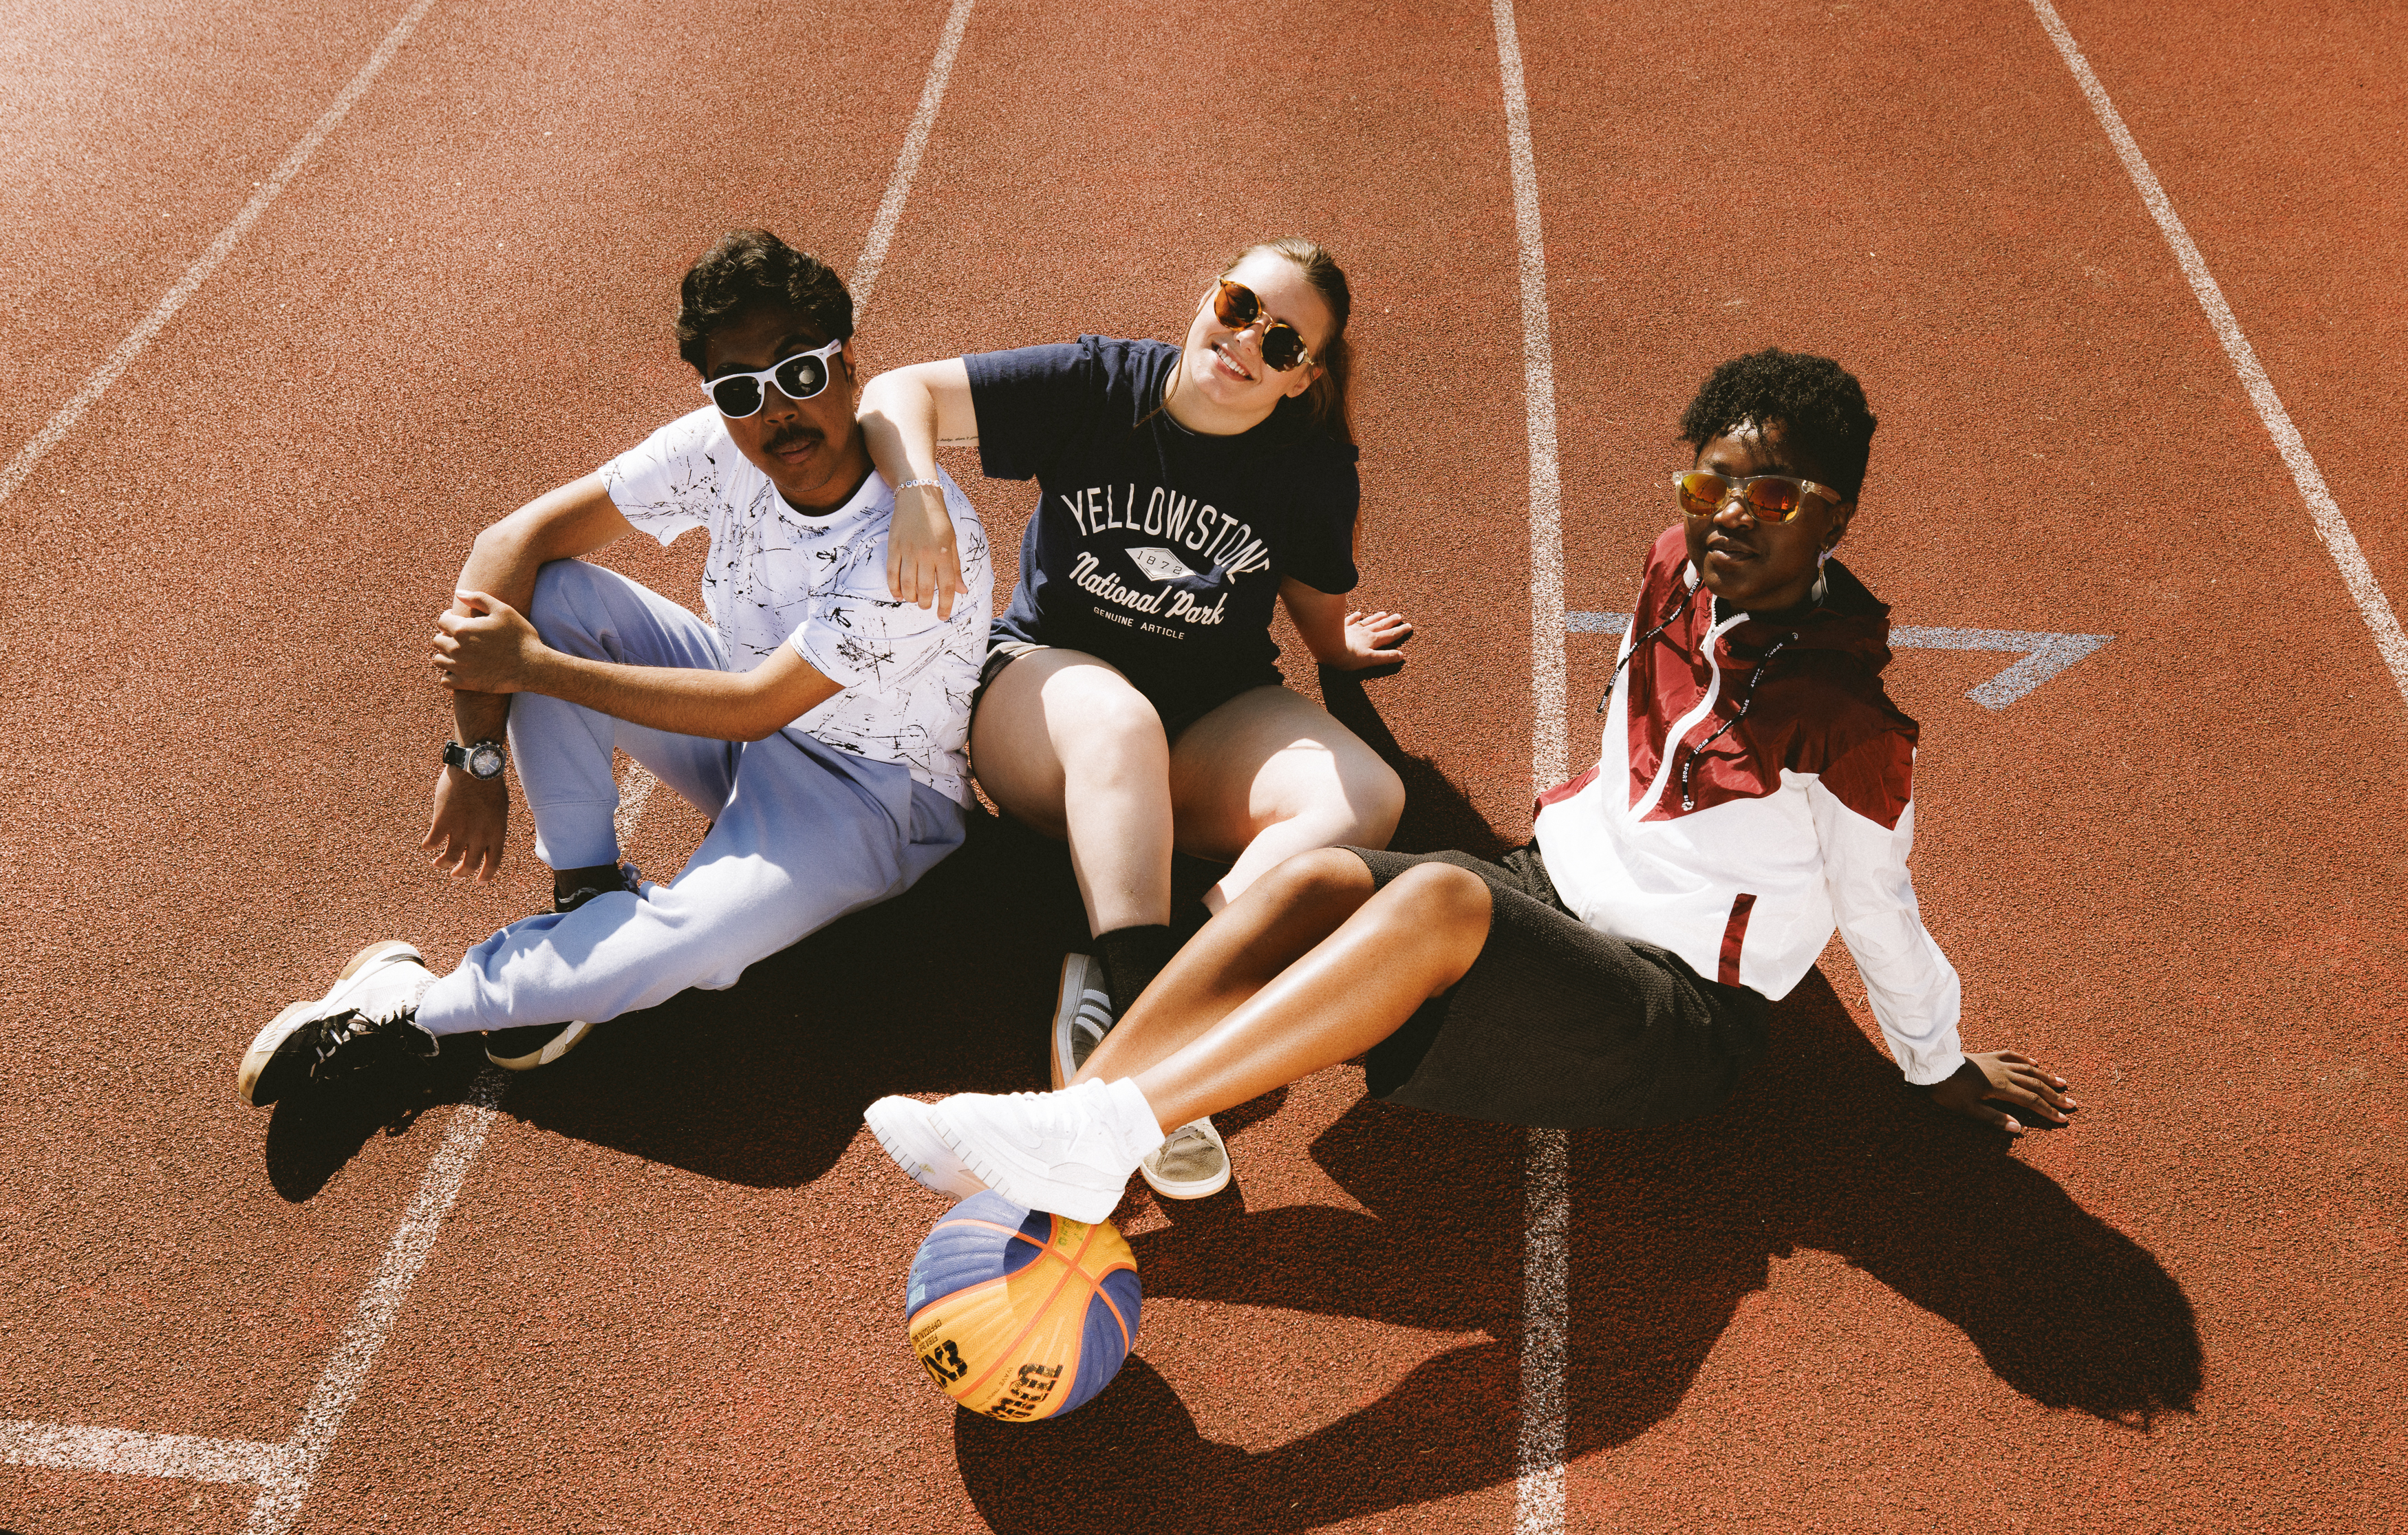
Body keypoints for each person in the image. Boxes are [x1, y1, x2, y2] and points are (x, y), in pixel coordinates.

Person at [863, 348, 2076, 1223]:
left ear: (1837, 517)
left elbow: (1881, 905)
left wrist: (1936, 1059)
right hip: (1552, 891)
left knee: (1440, 899)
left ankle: (1100, 1128)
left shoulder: (1849, 722)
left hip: (1676, 1010)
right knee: (1321, 881)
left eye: (1774, 500)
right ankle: (1085, 1116)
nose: (1726, 521)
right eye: (1708, 485)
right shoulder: (1670, 564)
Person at [237, 228, 992, 1105]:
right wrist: (475, 756)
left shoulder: (922, 546)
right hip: (749, 714)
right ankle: (587, 885)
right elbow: (510, 541)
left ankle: (409, 1003)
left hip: (873, 794)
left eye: (799, 372)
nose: (777, 410)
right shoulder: (722, 445)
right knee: (550, 593)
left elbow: (754, 704)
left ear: (848, 363)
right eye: (742, 389)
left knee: (695, 952)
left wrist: (535, 670)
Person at [855, 237, 1413, 1200]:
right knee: (1118, 726)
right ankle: (1154, 1057)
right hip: (1046, 704)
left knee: (1370, 796)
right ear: (1207, 295)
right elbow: (896, 394)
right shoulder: (1100, 383)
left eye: (1281, 343)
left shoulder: (1312, 465)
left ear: (1301, 379)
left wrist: (1340, 652)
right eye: (1238, 305)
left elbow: (1314, 604)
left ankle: (1127, 986)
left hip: (1206, 716)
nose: (1244, 340)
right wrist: (918, 496)